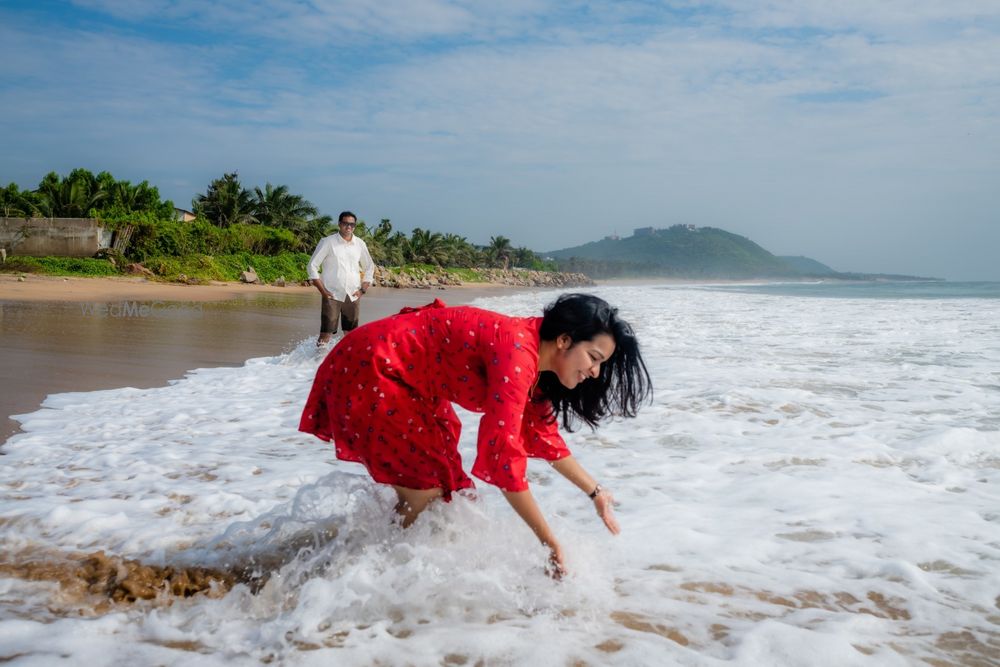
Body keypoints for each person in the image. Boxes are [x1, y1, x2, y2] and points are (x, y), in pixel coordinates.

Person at [299, 293, 652, 575]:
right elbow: (504, 458)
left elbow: (542, 436)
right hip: (376, 366)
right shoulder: (518, 353)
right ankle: (370, 573)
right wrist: (549, 543)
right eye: (593, 357)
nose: (594, 371)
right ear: (563, 340)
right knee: (426, 488)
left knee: (450, 491)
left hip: (409, 380)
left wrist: (595, 492)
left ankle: (378, 558)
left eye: (601, 363)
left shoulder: (534, 361)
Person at [307, 211, 375, 345]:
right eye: (345, 223)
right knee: (326, 333)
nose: (348, 227)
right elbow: (312, 266)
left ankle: (349, 363)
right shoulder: (328, 242)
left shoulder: (360, 244)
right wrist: (323, 291)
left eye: (352, 224)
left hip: (353, 294)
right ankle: (318, 362)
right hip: (332, 294)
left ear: (354, 226)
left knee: (351, 334)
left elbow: (369, 267)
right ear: (339, 224)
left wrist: (362, 290)